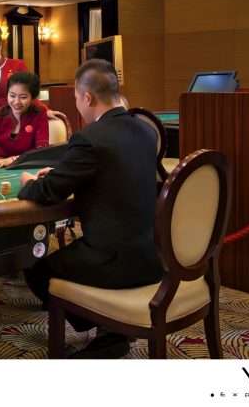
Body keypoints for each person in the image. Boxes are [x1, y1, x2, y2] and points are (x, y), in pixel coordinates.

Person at [17, 59, 163, 359]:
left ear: (87, 97)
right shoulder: (147, 131)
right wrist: (64, 173)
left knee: (37, 272)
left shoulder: (89, 138)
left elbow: (47, 192)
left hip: (113, 261)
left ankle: (109, 326)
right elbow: (115, 173)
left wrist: (29, 181)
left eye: (75, 98)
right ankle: (114, 330)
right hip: (153, 254)